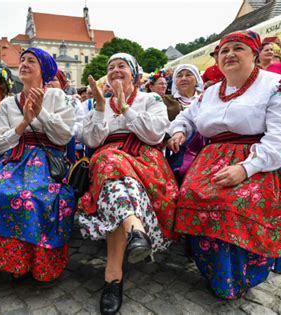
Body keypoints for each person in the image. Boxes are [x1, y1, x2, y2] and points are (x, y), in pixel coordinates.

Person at [168, 30, 281, 299]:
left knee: (232, 203)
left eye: (238, 48)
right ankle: (213, 268)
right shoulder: (210, 93)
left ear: (254, 54)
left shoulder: (279, 86)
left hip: (262, 162)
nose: (229, 54)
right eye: (224, 51)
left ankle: (239, 276)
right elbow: (188, 115)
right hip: (212, 160)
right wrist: (179, 130)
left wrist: (245, 168)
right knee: (189, 195)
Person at [78, 53, 179, 315]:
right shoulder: (99, 103)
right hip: (108, 161)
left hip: (144, 160)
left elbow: (155, 133)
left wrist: (126, 109)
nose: (115, 70)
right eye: (111, 67)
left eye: (121, 66)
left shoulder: (150, 99)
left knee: (117, 184)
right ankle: (135, 231)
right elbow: (91, 141)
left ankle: (114, 277)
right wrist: (101, 108)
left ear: (134, 73)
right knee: (113, 169)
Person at [0, 47, 76, 282]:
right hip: (16, 158)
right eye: (22, 60)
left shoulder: (57, 97)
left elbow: (64, 137)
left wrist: (41, 114)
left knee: (30, 197)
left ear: (43, 70)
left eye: (31, 61)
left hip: (47, 160)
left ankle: (29, 263)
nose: (24, 64)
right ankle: (1, 259)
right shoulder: (8, 104)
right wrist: (24, 122)